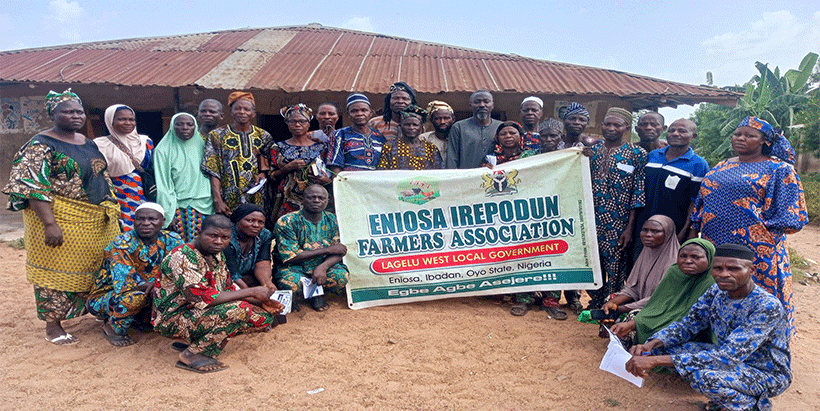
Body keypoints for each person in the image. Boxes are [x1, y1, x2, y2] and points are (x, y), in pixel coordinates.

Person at [2, 89, 120, 345]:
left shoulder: (87, 141)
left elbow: (100, 176)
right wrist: (50, 224)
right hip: (61, 218)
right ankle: (53, 326)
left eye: (79, 111)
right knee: (55, 271)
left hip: (94, 220)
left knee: (97, 266)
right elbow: (32, 187)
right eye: (68, 111)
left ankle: (97, 310)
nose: (76, 116)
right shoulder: (40, 145)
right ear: (53, 114)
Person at [626, 244, 791, 411]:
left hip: (765, 373)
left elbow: (726, 357)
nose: (724, 274)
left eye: (733, 269)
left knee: (705, 378)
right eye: (718, 268)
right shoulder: (716, 291)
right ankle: (730, 398)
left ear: (752, 270)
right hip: (725, 358)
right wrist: (652, 343)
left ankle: (750, 405)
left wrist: (654, 361)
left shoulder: (766, 306)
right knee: (660, 349)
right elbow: (688, 324)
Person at [690, 116, 808, 336]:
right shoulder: (722, 165)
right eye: (737, 134)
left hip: (756, 248)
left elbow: (790, 213)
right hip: (716, 244)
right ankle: (720, 341)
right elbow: (702, 200)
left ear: (765, 141)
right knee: (720, 291)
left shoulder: (779, 169)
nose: (740, 138)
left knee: (757, 296)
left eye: (749, 135)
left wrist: (764, 237)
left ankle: (764, 345)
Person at [152, 214, 283, 373]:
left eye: (225, 237)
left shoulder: (216, 254)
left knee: (264, 318)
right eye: (213, 236)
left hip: (199, 312)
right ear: (199, 232)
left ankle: (198, 340)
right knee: (239, 310)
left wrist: (262, 303)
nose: (219, 241)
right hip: (173, 318)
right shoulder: (182, 256)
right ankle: (193, 355)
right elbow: (201, 297)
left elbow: (227, 288)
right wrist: (253, 291)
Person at [87, 203, 183, 346]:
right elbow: (125, 281)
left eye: (152, 219)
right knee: (136, 298)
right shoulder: (123, 242)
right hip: (111, 295)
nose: (146, 223)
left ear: (163, 221)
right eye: (140, 219)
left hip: (153, 289)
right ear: (134, 221)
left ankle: (142, 320)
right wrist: (159, 286)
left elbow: (180, 269)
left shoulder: (172, 239)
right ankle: (112, 328)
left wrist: (163, 286)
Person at [588, 107, 647, 309]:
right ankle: (594, 301)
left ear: (627, 128)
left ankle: (610, 305)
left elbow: (638, 192)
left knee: (615, 266)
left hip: (618, 221)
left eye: (617, 125)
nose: (611, 128)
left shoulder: (637, 154)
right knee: (593, 262)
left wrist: (629, 228)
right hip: (591, 218)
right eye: (607, 124)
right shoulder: (592, 151)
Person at [610, 238, 715, 347]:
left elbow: (694, 321)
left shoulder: (713, 281)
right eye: (683, 256)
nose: (688, 261)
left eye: (696, 257)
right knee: (633, 321)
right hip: (667, 320)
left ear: (710, 258)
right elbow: (657, 305)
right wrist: (632, 324)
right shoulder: (675, 272)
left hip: (694, 330)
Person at [632, 119, 708, 260]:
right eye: (672, 130)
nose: (675, 134)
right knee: (637, 266)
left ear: (693, 136)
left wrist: (685, 232)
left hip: (672, 231)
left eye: (682, 131)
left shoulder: (698, 164)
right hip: (643, 228)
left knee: (665, 269)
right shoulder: (653, 156)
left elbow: (695, 202)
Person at [274, 184, 349, 312]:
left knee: (341, 277)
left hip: (324, 265)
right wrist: (327, 250)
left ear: (327, 201)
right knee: (292, 283)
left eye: (321, 198)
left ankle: (318, 294)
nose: (316, 200)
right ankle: (295, 297)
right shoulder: (287, 221)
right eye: (311, 197)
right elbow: (291, 257)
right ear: (302, 199)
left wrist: (323, 267)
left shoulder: (334, 220)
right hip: (294, 266)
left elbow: (340, 251)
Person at [202, 91, 271, 215]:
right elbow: (213, 170)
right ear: (231, 111)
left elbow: (268, 161)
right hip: (228, 197)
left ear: (253, 113)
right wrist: (218, 200)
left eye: (246, 109)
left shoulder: (263, 135)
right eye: (238, 108)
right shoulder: (217, 135)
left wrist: (263, 173)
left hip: (257, 196)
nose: (242, 112)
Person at [600, 215, 680, 316]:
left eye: (656, 231)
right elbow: (633, 289)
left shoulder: (676, 262)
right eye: (645, 230)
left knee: (630, 316)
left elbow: (661, 299)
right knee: (610, 301)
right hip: (644, 305)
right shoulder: (646, 253)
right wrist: (613, 303)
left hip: (664, 311)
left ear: (668, 234)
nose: (648, 234)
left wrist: (621, 309)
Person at [153, 113, 214, 243]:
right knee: (182, 246)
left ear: (195, 126)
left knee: (206, 244)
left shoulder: (205, 147)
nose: (185, 128)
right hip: (178, 207)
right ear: (172, 127)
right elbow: (163, 184)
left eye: (189, 124)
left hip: (206, 206)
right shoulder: (163, 150)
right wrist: (168, 213)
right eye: (179, 124)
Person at [265, 104, 332, 221]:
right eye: (293, 121)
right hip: (287, 200)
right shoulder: (277, 147)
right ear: (287, 123)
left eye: (302, 121)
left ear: (309, 124)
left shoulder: (322, 148)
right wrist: (287, 168)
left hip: (316, 200)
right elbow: (271, 177)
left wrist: (326, 180)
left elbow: (331, 174)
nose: (297, 125)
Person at [94, 104, 154, 231]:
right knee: (121, 231)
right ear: (110, 121)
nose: (128, 123)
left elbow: (152, 169)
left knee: (146, 228)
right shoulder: (99, 144)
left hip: (146, 194)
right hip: (117, 196)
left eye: (131, 119)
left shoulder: (145, 142)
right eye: (121, 119)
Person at [326, 93, 386, 173]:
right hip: (349, 180)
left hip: (376, 180)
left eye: (364, 110)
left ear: (371, 113)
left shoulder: (380, 137)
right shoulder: (339, 135)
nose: (359, 114)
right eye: (354, 111)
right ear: (348, 114)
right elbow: (335, 167)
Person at [446, 90, 503, 169]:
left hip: (495, 175)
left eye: (486, 101)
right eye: (477, 102)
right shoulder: (458, 127)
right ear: (470, 106)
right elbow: (451, 158)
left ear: (492, 105)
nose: (482, 105)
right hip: (467, 175)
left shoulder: (501, 127)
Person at [224, 204, 275, 289]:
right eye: (250, 220)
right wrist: (250, 293)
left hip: (247, 277)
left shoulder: (264, 235)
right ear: (238, 220)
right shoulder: (227, 237)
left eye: (261, 222)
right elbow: (233, 274)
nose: (256, 225)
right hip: (227, 278)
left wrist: (267, 284)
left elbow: (263, 262)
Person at [377, 105, 443, 170]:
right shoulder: (390, 147)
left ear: (421, 128)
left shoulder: (431, 148)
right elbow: (382, 171)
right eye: (407, 125)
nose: (411, 128)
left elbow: (439, 171)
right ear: (400, 126)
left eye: (415, 125)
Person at [419, 100, 454, 165]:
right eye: (438, 118)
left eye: (446, 118)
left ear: (453, 119)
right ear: (431, 120)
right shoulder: (424, 138)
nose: (442, 122)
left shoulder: (458, 138)